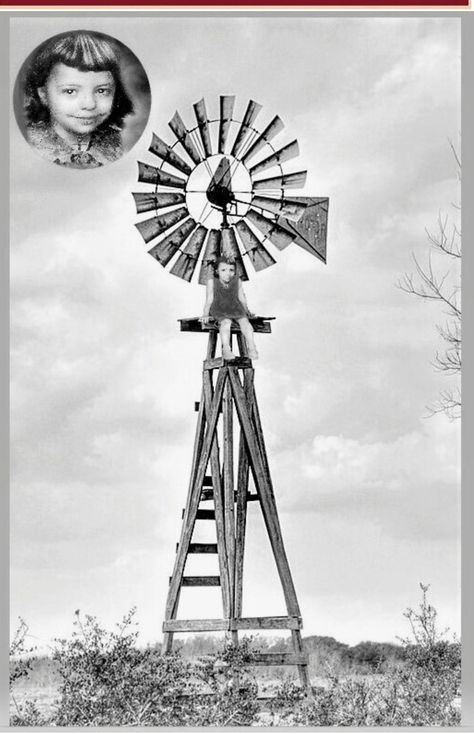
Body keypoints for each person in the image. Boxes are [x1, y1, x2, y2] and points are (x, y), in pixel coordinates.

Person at [22, 31, 134, 168]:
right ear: (43, 94)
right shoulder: (28, 146)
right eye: (70, 91)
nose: (89, 104)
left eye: (101, 91)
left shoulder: (115, 144)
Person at [201, 257, 259, 361]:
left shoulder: (237, 281)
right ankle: (226, 349)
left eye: (231, 270)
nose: (228, 273)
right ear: (217, 271)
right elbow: (209, 299)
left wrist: (247, 311)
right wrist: (205, 314)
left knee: (246, 324)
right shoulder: (212, 282)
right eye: (223, 270)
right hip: (219, 308)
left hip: (235, 307)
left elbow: (242, 298)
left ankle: (252, 347)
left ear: (235, 271)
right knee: (226, 323)